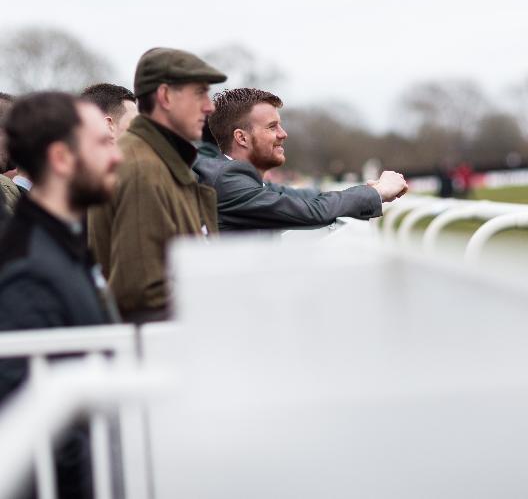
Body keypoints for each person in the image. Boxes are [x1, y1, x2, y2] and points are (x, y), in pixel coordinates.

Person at [0, 92, 122, 499]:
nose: (117, 156)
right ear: (62, 158)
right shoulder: (27, 268)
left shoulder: (61, 243)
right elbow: (27, 411)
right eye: (102, 145)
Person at [88, 47, 226, 323]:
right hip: (163, 351)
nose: (209, 106)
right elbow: (143, 295)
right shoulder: (142, 167)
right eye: (199, 93)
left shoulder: (156, 159)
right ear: (164, 96)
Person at [194, 88, 407, 232]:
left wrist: (366, 189)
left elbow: (305, 198)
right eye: (272, 127)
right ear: (241, 137)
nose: (283, 134)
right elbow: (310, 212)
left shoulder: (236, 176)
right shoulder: (228, 180)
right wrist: (377, 193)